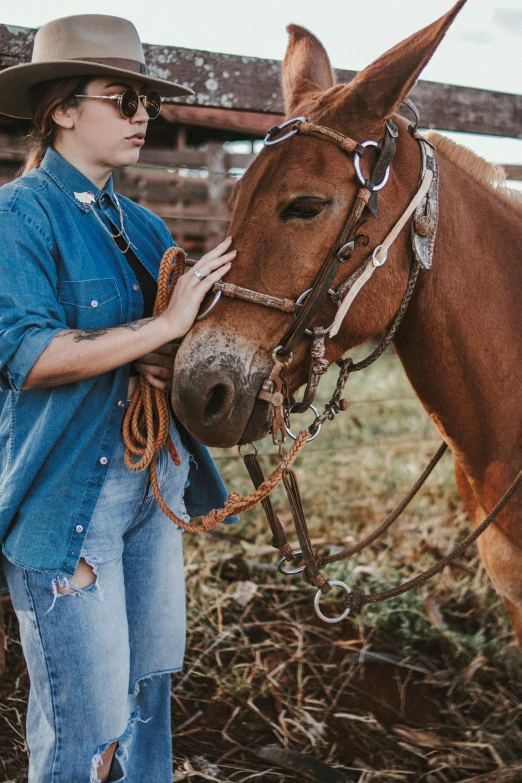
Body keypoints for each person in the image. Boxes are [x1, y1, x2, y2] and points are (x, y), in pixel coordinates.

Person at [0, 13, 238, 783]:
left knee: (145, 705)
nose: (143, 116)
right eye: (121, 99)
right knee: (84, 728)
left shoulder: (141, 224)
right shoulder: (17, 214)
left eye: (146, 102)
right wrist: (161, 323)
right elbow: (27, 355)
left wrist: (173, 354)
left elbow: (153, 347)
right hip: (71, 503)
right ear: (62, 108)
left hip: (151, 488)